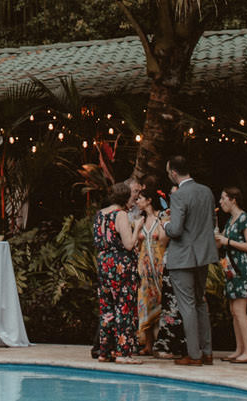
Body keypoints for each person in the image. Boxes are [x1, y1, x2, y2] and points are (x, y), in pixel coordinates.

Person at [162, 155, 216, 366]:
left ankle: (194, 355)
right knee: (200, 302)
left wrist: (165, 223)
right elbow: (211, 221)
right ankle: (208, 352)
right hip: (203, 254)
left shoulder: (179, 195)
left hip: (183, 256)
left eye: (168, 173)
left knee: (187, 305)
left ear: (174, 173)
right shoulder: (206, 191)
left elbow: (175, 230)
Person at [92, 182, 142, 362]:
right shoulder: (120, 215)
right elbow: (129, 244)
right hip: (120, 264)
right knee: (124, 306)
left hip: (104, 262)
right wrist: (137, 227)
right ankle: (123, 352)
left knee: (107, 307)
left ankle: (105, 351)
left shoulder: (100, 214)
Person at [214, 187, 247, 364]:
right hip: (231, 269)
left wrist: (228, 241)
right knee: (234, 311)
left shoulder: (244, 219)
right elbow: (221, 243)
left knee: (240, 310)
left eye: (224, 198)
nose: (221, 202)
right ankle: (239, 349)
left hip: (243, 269)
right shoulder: (230, 221)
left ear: (233, 200)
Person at [130, 181, 172, 355]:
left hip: (159, 262)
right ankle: (147, 344)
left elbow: (164, 240)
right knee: (145, 302)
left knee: (161, 301)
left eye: (140, 198)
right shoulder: (139, 220)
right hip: (143, 265)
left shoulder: (162, 218)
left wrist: (164, 222)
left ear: (149, 200)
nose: (137, 201)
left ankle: (162, 343)